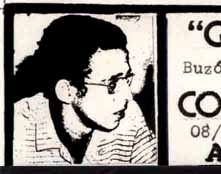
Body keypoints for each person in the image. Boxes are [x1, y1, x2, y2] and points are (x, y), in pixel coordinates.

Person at [13, 15, 156, 165]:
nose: (128, 96)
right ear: (67, 91)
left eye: (126, 79)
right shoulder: (17, 128)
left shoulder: (130, 117)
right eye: (112, 84)